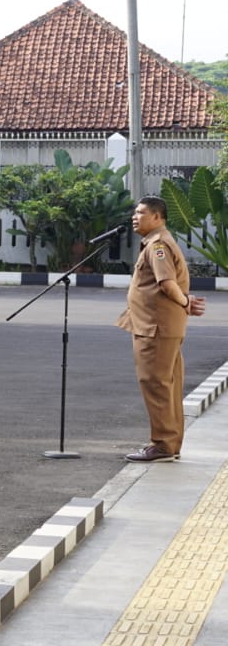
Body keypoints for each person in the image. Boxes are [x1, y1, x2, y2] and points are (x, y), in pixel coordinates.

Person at [119, 196, 207, 463]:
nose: (135, 217)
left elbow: (167, 283)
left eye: (142, 213)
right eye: (135, 213)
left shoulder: (157, 245)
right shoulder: (159, 242)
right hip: (160, 326)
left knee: (156, 384)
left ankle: (162, 445)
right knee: (168, 385)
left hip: (155, 328)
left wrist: (185, 302)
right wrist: (185, 301)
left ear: (158, 217)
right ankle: (170, 443)